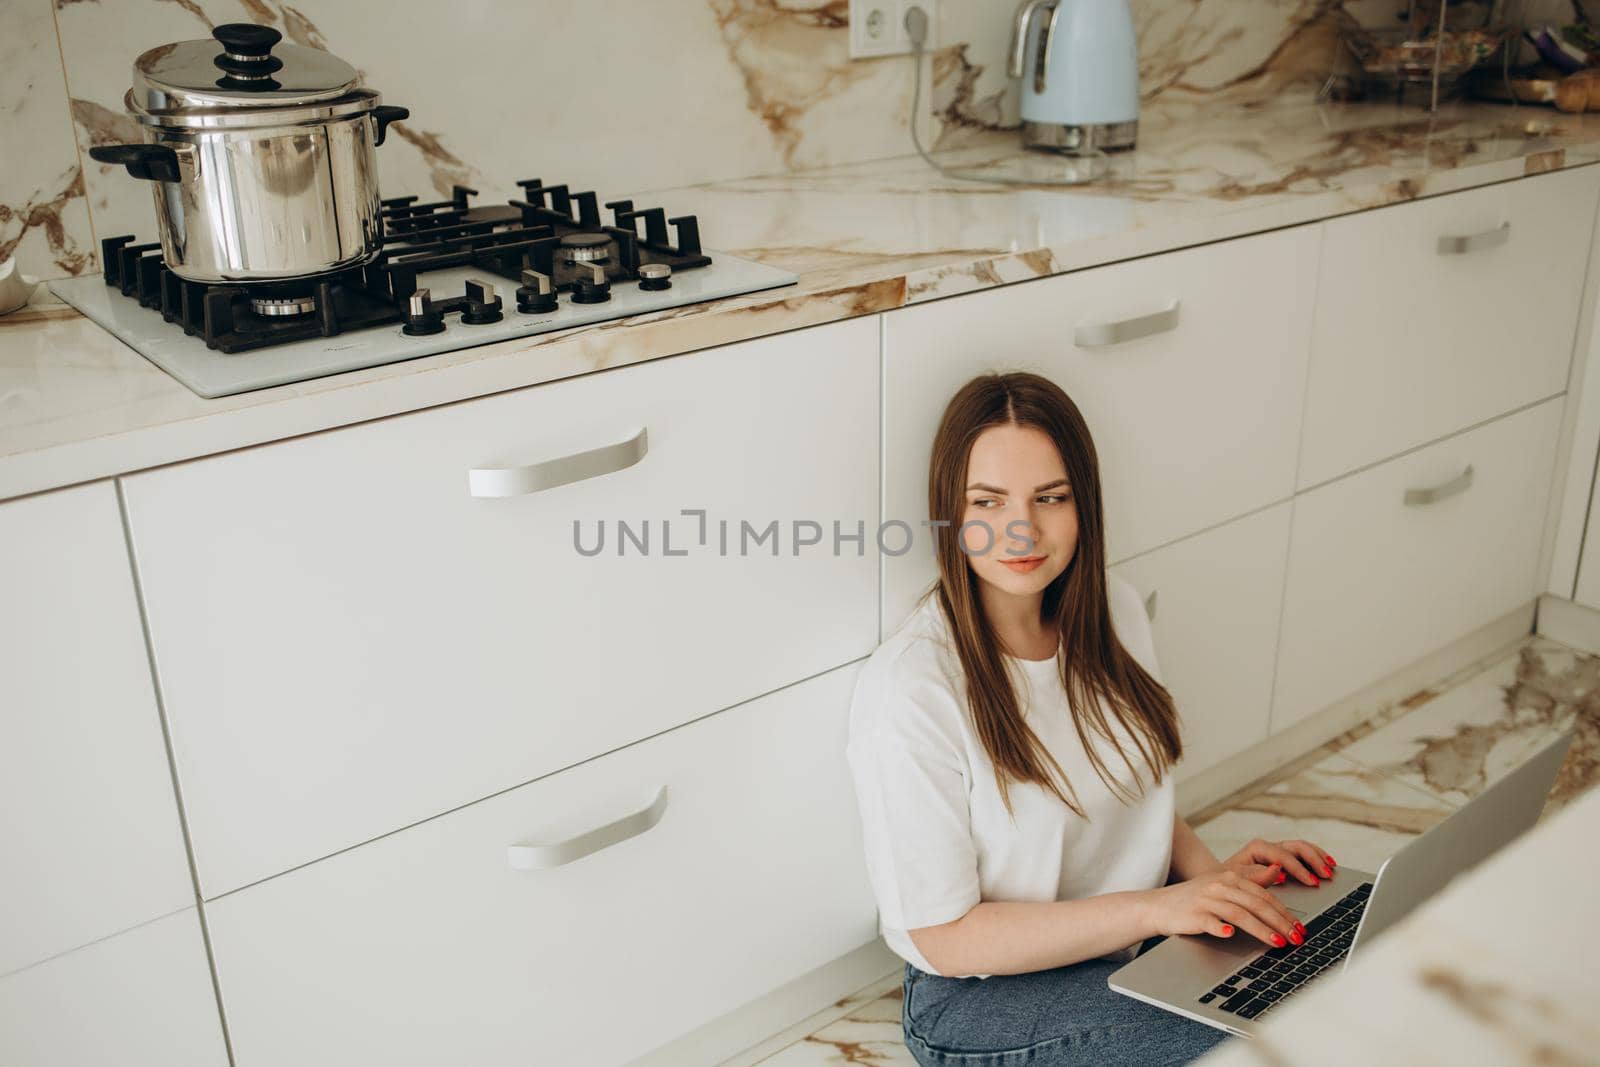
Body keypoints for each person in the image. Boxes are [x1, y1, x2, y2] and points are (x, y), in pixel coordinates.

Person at [845, 371, 1338, 1066]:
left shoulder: (1112, 609)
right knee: (1264, 1040)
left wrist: (1214, 882)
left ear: (1085, 505)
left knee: (1335, 976)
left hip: (1127, 940)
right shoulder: (912, 691)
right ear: (949, 513)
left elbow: (1126, 796)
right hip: (980, 997)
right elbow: (944, 937)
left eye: (1051, 498)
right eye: (987, 502)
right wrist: (1155, 908)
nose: (1024, 529)